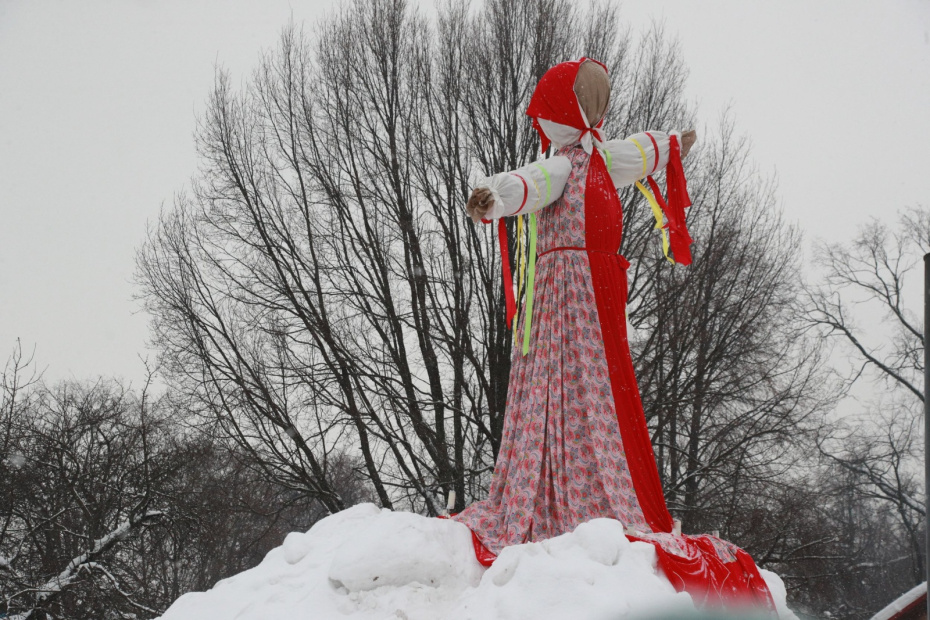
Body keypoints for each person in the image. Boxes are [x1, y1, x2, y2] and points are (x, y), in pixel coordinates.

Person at [454, 57, 774, 611]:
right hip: (568, 294)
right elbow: (525, 184)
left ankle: (594, 479)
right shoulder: (563, 167)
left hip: (597, 288)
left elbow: (641, 152)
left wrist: (675, 144)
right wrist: (492, 195)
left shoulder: (600, 157)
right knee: (579, 384)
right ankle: (567, 483)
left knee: (599, 386)